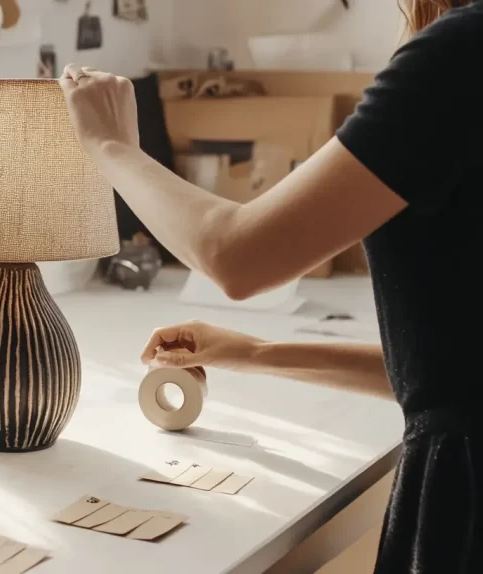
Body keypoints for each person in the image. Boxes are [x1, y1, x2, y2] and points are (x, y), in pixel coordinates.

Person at [59, 1, 482, 572]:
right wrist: (255, 352)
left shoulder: (460, 53)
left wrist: (111, 146)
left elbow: (234, 254)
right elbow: (454, 371)